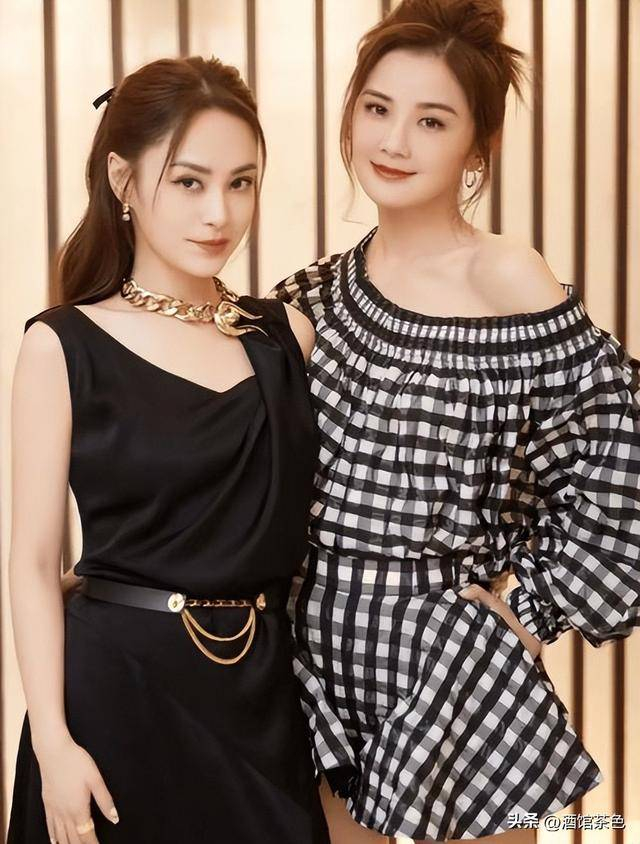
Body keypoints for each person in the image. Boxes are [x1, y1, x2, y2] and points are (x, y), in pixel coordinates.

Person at [269, 0, 640, 841]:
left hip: (455, 674)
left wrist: (534, 608)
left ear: (477, 147)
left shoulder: (504, 274)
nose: (394, 141)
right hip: (316, 673)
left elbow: (620, 457)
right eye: (378, 108)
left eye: (431, 120)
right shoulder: (315, 296)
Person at [8, 55, 329, 844]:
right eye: (189, 182)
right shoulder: (63, 345)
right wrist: (54, 743)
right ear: (122, 180)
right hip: (114, 701)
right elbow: (33, 562)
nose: (219, 213)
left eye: (241, 182)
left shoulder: (285, 335)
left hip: (264, 699)